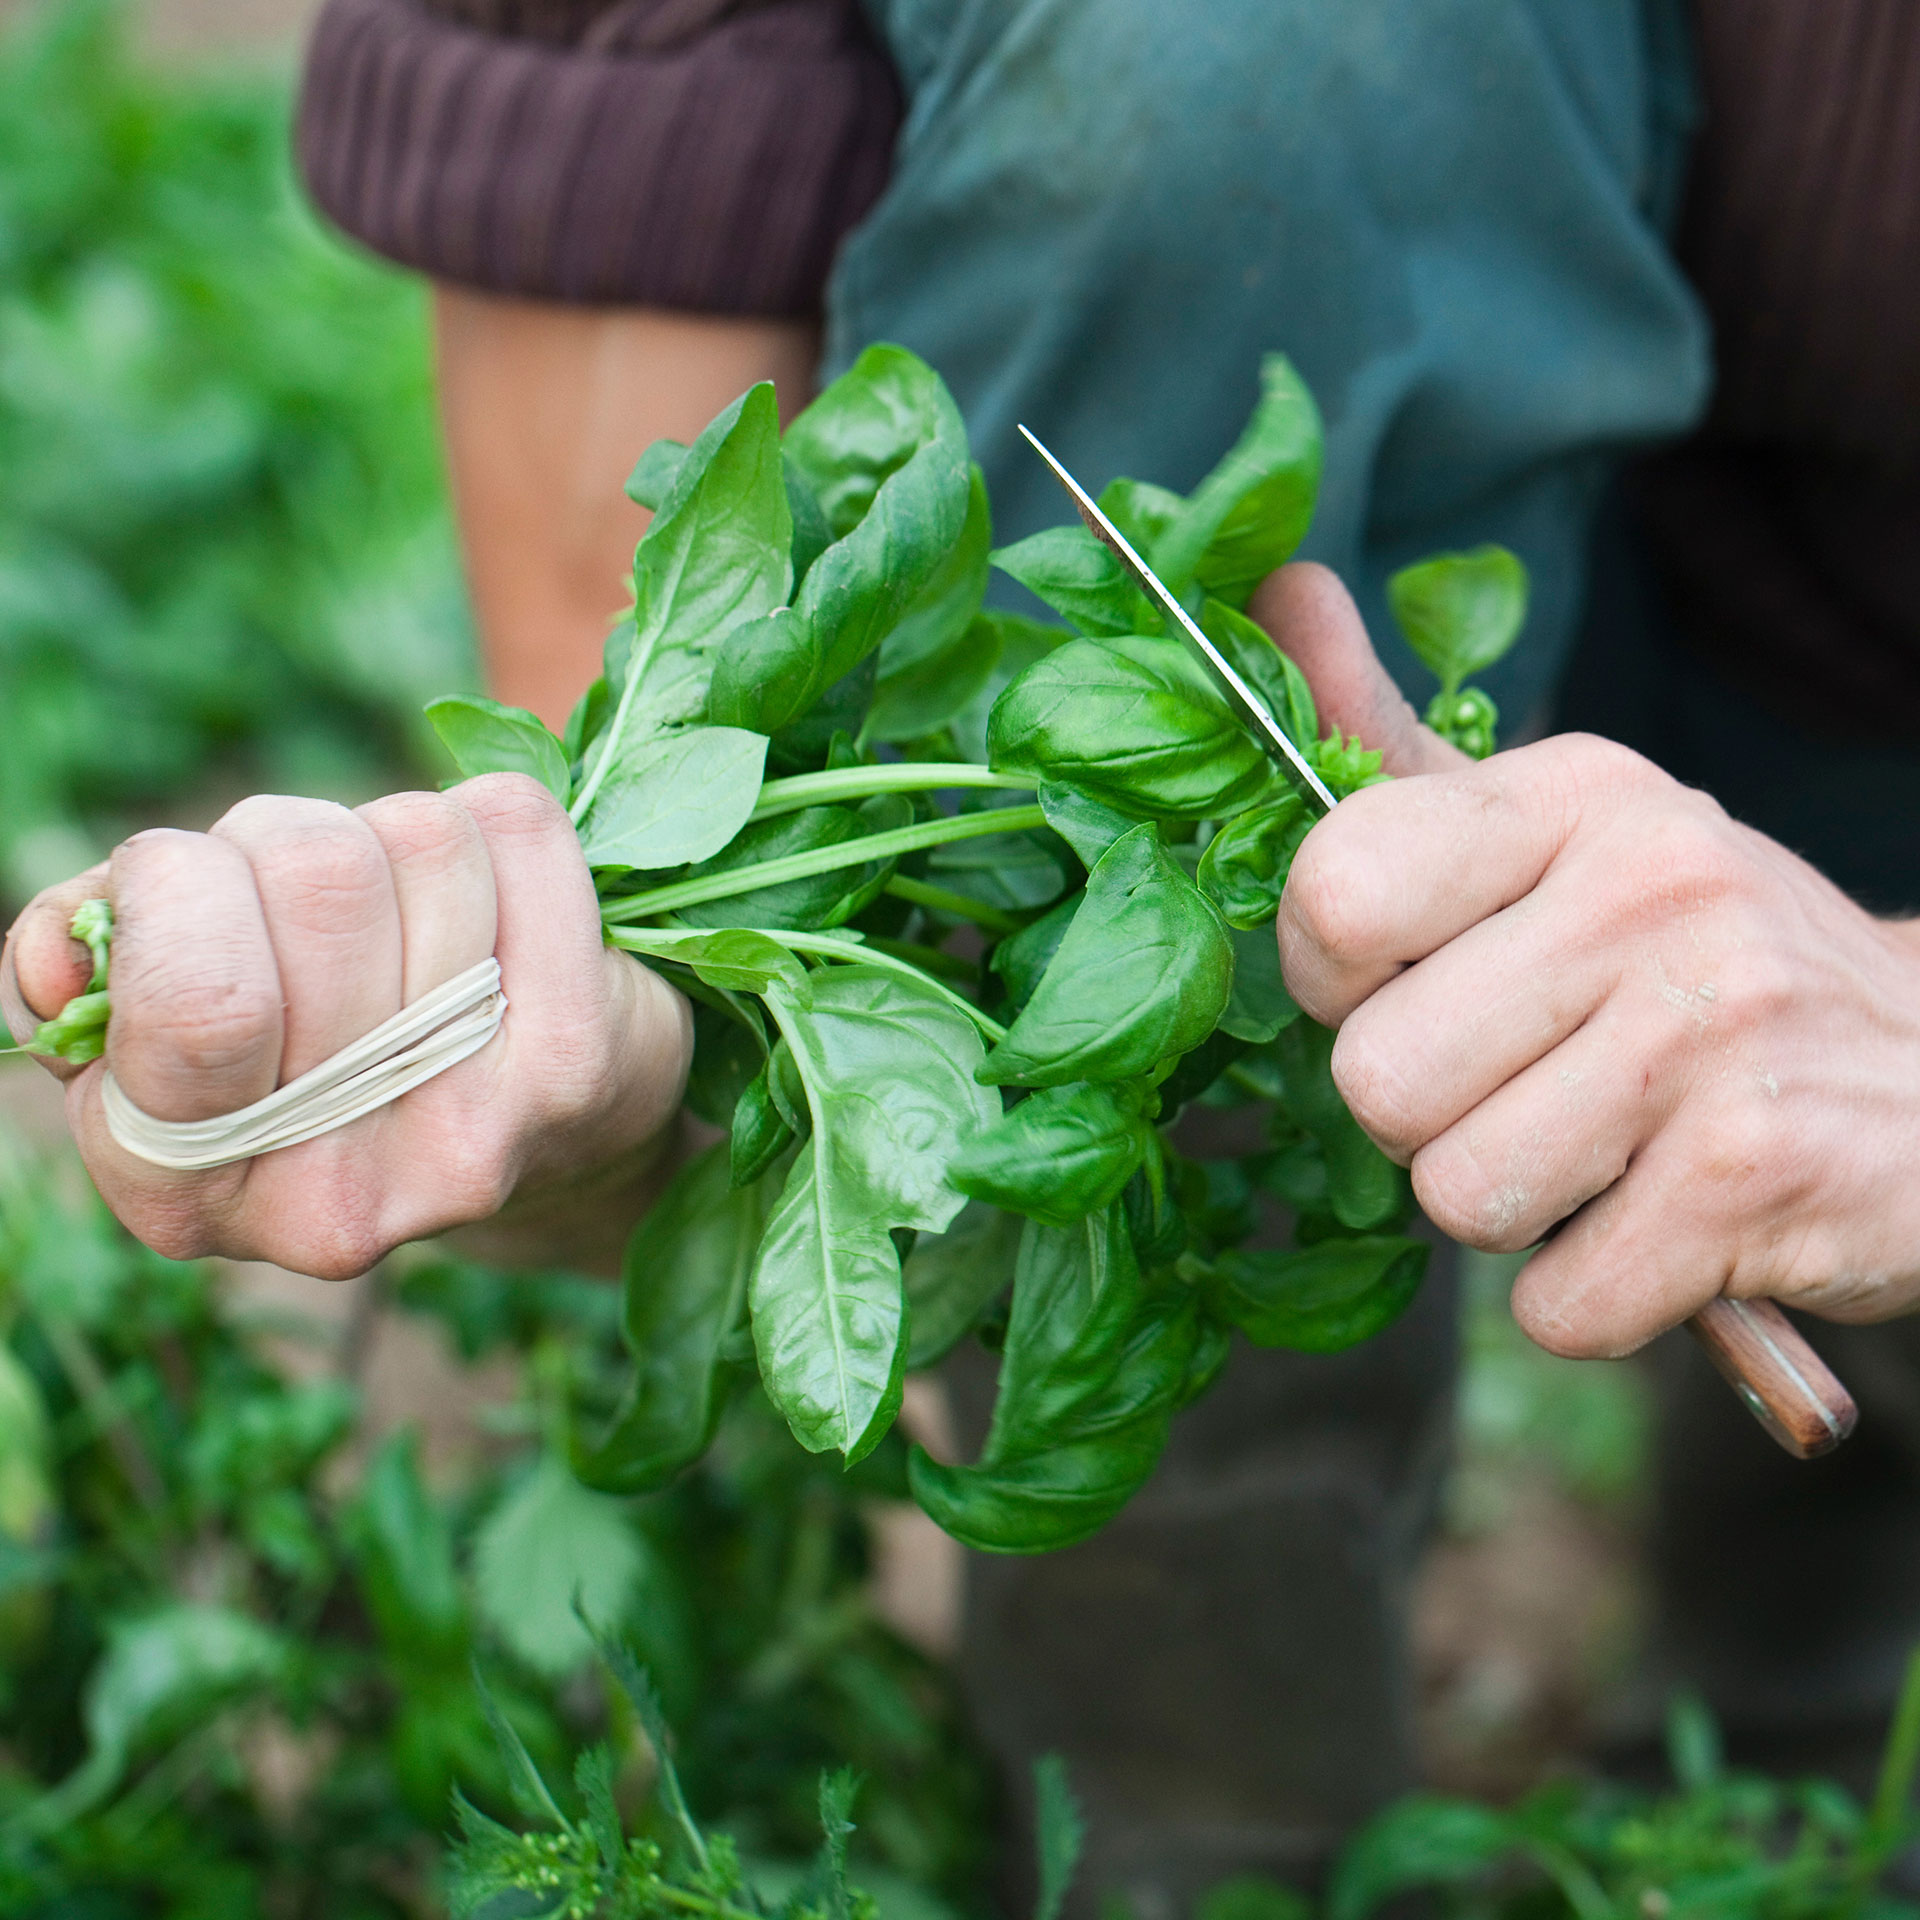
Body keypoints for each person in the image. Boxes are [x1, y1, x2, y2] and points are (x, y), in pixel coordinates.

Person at [5, 0, 1919, 1903]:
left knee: (1850, 1611)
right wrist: (600, 1039)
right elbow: (632, 796)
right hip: (1450, 580)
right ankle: (1207, 1824)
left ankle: (1824, 1712)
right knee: (1222, 64)